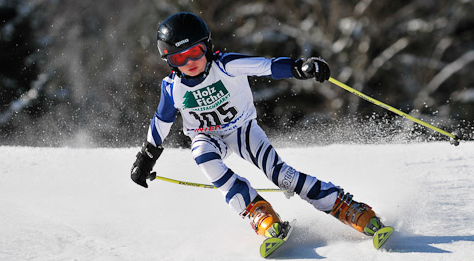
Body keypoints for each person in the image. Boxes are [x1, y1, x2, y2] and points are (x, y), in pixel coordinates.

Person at [131, 12, 386, 242]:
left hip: (241, 129)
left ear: (207, 47)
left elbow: (266, 66)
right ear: (168, 60)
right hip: (206, 136)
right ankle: (256, 210)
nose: (189, 62)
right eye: (178, 58)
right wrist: (146, 158)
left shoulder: (225, 65)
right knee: (201, 155)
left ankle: (344, 206)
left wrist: (300, 68)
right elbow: (161, 121)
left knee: (281, 176)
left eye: (195, 52)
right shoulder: (172, 87)